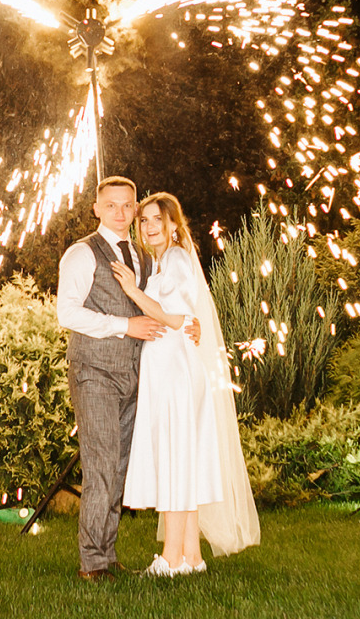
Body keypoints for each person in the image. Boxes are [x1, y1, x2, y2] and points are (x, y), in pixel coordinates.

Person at [109, 192, 260, 575]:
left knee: (175, 459)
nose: (149, 226)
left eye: (157, 219)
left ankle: (171, 557)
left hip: (175, 368)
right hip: (168, 366)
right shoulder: (161, 263)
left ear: (174, 224)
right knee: (180, 461)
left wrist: (132, 292)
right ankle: (192, 557)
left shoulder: (175, 259)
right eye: (143, 220)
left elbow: (177, 319)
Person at [56, 175, 166, 583]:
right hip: (95, 372)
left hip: (135, 376)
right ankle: (92, 562)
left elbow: (157, 308)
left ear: (135, 209)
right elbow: (67, 313)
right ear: (96, 209)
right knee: (101, 463)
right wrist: (125, 325)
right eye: (112, 205)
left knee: (119, 466)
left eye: (127, 206)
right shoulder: (81, 254)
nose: (120, 213)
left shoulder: (144, 256)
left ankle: (107, 551)